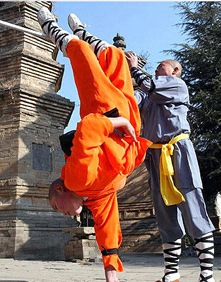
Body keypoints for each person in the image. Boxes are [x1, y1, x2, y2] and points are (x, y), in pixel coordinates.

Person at [37, 7, 151, 282]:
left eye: (56, 206)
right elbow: (107, 225)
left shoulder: (77, 180)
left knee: (84, 58)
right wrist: (110, 270)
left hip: (106, 113)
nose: (62, 212)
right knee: (116, 59)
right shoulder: (95, 196)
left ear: (61, 188)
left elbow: (88, 129)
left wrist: (115, 124)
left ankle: (53, 31)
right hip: (127, 124)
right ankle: (83, 32)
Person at [125, 52, 215, 282]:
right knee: (164, 214)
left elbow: (150, 86)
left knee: (192, 203)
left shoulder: (176, 85)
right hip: (155, 153)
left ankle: (206, 275)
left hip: (178, 150)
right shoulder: (149, 94)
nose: (157, 68)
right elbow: (131, 100)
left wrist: (134, 66)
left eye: (161, 66)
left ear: (175, 70)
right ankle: (171, 274)